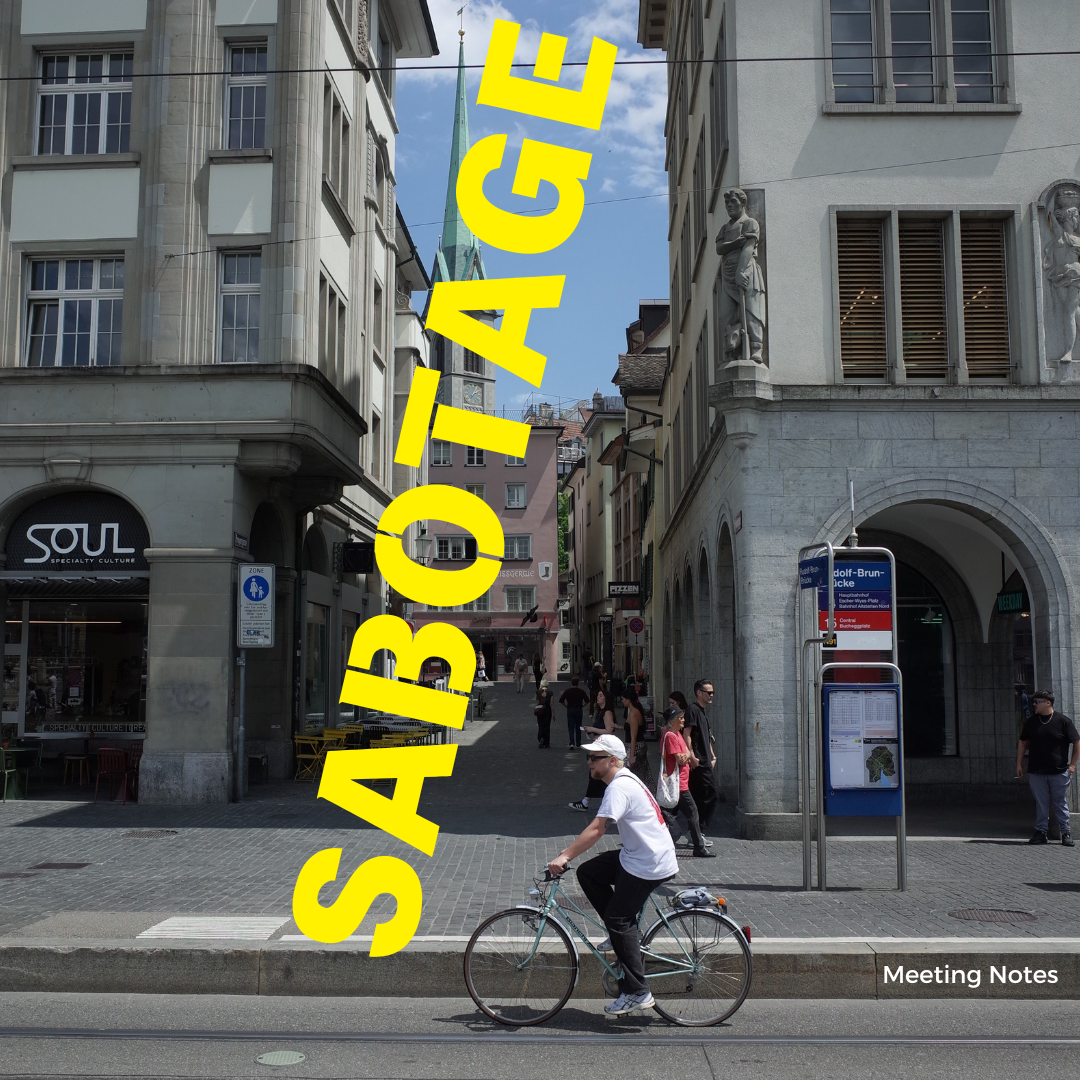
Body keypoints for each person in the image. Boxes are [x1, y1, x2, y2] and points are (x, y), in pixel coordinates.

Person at [547, 733, 678, 1017]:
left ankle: (637, 991)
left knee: (619, 919)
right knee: (589, 873)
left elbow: (597, 829)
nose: (589, 762)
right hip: (640, 854)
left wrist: (564, 856)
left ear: (613, 761)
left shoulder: (619, 787)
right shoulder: (624, 781)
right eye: (589, 757)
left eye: (596, 758)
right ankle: (623, 936)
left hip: (648, 862)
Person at [1016, 689, 1079, 846]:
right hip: (1036, 770)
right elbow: (1023, 742)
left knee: (1060, 802)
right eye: (1033, 702)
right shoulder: (1031, 722)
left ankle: (1065, 832)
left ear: (1048, 703)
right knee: (1041, 803)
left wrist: (1072, 765)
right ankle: (1041, 832)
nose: (1034, 705)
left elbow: (1077, 743)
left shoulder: (1063, 721)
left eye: (1037, 702)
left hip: (1059, 771)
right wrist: (1018, 764)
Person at [659, 706, 714, 858]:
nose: (683, 719)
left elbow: (684, 754)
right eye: (680, 717)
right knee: (692, 813)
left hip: (680, 781)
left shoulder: (677, 734)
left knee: (667, 812)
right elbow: (681, 758)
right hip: (677, 783)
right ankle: (699, 847)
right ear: (673, 720)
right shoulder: (670, 735)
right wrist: (689, 755)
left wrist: (687, 754)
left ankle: (656, 841)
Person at [570, 689, 617, 811]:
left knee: (597, 774)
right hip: (598, 746)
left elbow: (609, 730)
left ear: (606, 698)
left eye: (601, 695)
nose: (598, 697)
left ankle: (588, 802)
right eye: (598, 695)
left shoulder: (607, 712)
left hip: (604, 748)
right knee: (596, 774)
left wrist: (592, 729)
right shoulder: (601, 712)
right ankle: (591, 801)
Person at [684, 679, 720, 827]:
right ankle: (698, 829)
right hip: (698, 761)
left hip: (706, 760)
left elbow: (707, 736)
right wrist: (691, 755)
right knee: (710, 795)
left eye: (712, 692)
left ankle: (696, 831)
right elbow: (687, 733)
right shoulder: (693, 710)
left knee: (700, 796)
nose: (711, 695)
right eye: (708, 692)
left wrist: (713, 756)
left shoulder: (702, 711)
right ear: (699, 693)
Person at [623, 687, 652, 787]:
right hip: (636, 746)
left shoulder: (633, 713)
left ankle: (645, 796)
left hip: (635, 747)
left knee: (636, 776)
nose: (622, 701)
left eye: (623, 699)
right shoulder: (633, 710)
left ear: (628, 699)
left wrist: (631, 756)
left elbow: (633, 736)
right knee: (642, 775)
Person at [559, 677, 589, 748]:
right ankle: (578, 742)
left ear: (571, 683)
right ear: (578, 683)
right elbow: (587, 700)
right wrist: (582, 705)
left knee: (571, 727)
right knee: (578, 726)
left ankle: (572, 742)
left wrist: (566, 706)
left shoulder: (567, 691)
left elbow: (561, 700)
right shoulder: (581, 691)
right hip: (578, 710)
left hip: (570, 710)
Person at [534, 680, 554, 748]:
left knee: (540, 726)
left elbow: (536, 699)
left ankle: (541, 739)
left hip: (540, 710)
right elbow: (552, 704)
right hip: (548, 710)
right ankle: (547, 742)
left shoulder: (538, 692)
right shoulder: (550, 692)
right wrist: (553, 714)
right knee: (547, 726)